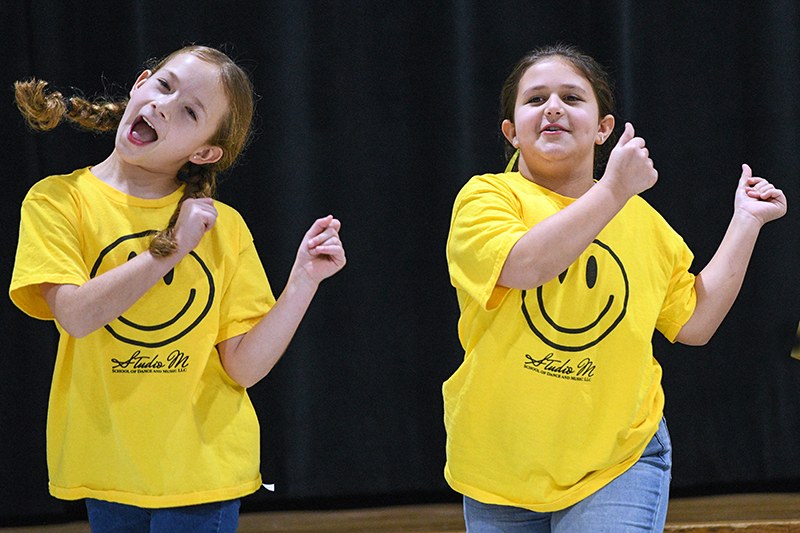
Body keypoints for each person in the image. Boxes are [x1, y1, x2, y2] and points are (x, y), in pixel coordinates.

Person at [443, 43, 786, 532]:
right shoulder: (485, 198)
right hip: (499, 472)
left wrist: (746, 223)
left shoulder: (643, 222)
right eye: (535, 99)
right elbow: (523, 265)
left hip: (617, 461)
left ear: (604, 128)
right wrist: (613, 190)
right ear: (511, 132)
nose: (553, 107)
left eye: (572, 98)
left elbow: (695, 323)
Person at [10, 45, 345, 532]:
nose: (163, 105)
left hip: (203, 473)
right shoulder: (57, 201)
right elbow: (76, 316)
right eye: (164, 85)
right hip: (108, 468)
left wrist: (303, 280)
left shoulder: (223, 228)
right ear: (140, 82)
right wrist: (170, 248)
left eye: (189, 111)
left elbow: (244, 367)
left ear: (205, 151)